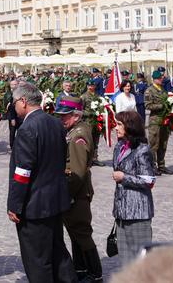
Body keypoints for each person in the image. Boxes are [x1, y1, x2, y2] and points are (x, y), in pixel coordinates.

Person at [7, 83, 76, 283]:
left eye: (14, 103)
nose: (14, 107)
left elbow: (22, 173)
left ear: (23, 101)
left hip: (34, 206)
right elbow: (61, 159)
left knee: (37, 260)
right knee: (58, 252)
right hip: (55, 200)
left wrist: (14, 205)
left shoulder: (27, 128)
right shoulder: (55, 123)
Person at [55, 96, 103, 282]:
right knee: (75, 232)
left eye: (65, 116)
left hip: (77, 192)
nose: (61, 119)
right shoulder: (75, 130)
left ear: (76, 116)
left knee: (82, 233)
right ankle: (81, 269)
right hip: (76, 191)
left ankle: (94, 272)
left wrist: (66, 195)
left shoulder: (78, 135)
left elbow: (76, 171)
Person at [111, 110, 155, 267]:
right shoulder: (120, 146)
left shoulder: (142, 150)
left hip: (138, 213)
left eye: (120, 124)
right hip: (122, 212)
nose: (115, 128)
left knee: (140, 261)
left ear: (130, 126)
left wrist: (124, 177)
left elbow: (148, 181)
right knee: (125, 260)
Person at [144, 71, 173, 175]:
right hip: (155, 121)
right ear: (154, 79)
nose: (161, 79)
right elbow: (147, 105)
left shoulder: (163, 90)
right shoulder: (149, 91)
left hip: (164, 120)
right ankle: (152, 166)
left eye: (161, 78)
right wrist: (162, 106)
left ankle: (161, 165)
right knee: (153, 144)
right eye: (159, 78)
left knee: (163, 143)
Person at [81, 79, 105, 167]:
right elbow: (80, 111)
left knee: (96, 141)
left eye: (93, 86)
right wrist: (91, 113)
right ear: (87, 86)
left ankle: (95, 158)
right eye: (90, 86)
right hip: (88, 122)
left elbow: (101, 106)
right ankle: (87, 159)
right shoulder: (83, 97)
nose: (91, 87)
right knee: (88, 141)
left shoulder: (97, 96)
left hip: (96, 122)